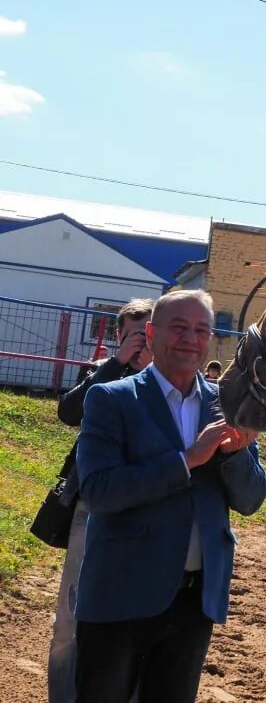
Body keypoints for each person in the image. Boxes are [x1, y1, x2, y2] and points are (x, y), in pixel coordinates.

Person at [74, 290, 266, 703]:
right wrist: (187, 460)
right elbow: (99, 491)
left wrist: (234, 457)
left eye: (201, 330)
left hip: (194, 601)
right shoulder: (112, 399)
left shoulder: (226, 404)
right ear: (150, 332)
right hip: (121, 592)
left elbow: (251, 500)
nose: (190, 339)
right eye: (178, 327)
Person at [49, 298, 155, 703]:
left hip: (148, 513)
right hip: (91, 510)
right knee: (71, 617)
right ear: (117, 335)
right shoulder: (101, 374)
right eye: (133, 334)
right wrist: (117, 364)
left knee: (142, 617)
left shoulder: (171, 381)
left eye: (148, 334)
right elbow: (69, 412)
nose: (142, 343)